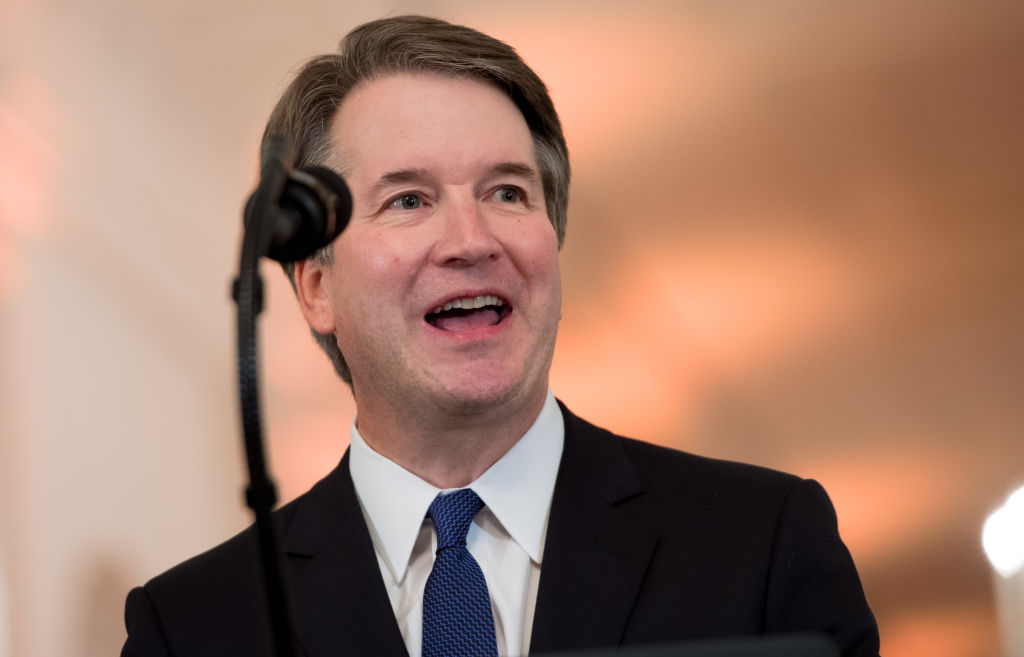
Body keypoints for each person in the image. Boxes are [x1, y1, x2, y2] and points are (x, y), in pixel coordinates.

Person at [121, 15, 880, 657]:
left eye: (507, 192)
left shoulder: (762, 544)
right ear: (315, 286)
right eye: (410, 198)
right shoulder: (193, 626)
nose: (471, 238)